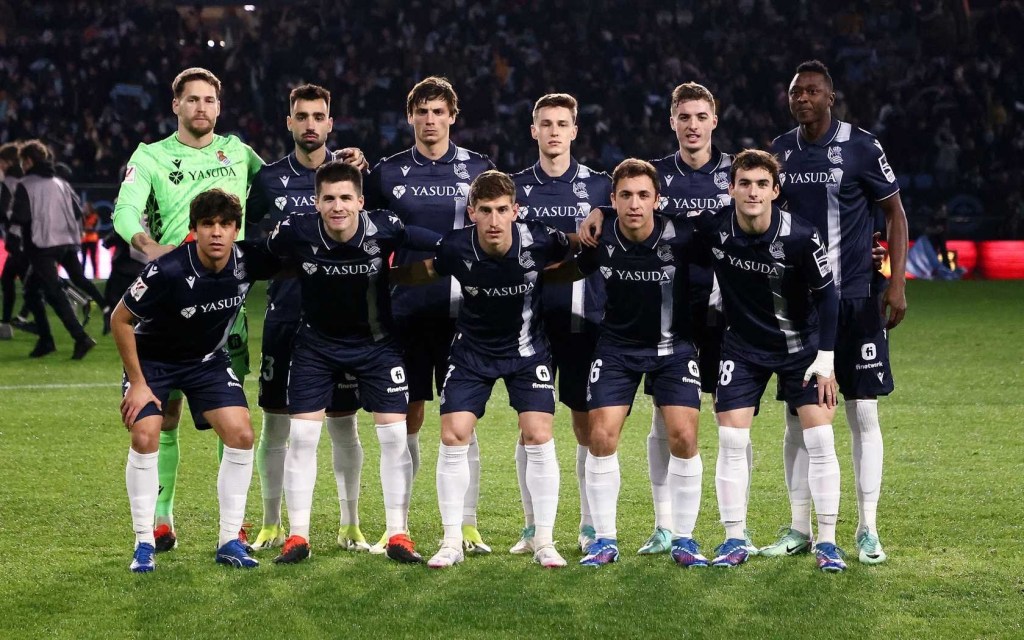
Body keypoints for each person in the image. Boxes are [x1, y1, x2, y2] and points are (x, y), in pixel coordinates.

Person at [112, 67, 264, 552]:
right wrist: (148, 246)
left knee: (231, 414)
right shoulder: (151, 156)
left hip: (224, 306)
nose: (201, 107)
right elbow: (124, 210)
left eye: (209, 100)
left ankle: (232, 527)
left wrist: (337, 161)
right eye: (192, 99)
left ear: (219, 107)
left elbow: (283, 183)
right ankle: (161, 518)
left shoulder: (238, 152)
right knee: (167, 416)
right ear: (175, 105)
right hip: (169, 297)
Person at [762, 60, 908, 565]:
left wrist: (896, 282)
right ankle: (799, 527)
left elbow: (894, 213)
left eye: (812, 91)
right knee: (797, 418)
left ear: (831, 97)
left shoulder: (862, 146)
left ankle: (868, 528)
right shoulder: (780, 151)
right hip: (801, 307)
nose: (802, 98)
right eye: (795, 91)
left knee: (862, 411)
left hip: (857, 300)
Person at [391, 170, 572, 569]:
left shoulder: (539, 239)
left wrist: (598, 224)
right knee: (454, 433)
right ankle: (451, 541)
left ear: (515, 211)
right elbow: (427, 269)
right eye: (486, 210)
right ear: (471, 212)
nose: (494, 220)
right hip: (472, 353)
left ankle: (543, 540)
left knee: (539, 434)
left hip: (527, 352)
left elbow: (576, 249)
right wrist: (381, 277)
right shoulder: (456, 246)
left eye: (502, 210)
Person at [262, 161, 439, 565]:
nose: (337, 206)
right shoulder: (296, 229)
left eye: (345, 198)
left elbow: (436, 243)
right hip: (315, 347)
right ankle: (298, 537)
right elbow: (259, 256)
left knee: (394, 438)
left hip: (377, 346)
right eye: (328, 198)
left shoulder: (385, 227)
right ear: (316, 202)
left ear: (361, 201)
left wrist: (465, 246)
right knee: (302, 437)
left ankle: (398, 533)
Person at [689, 150, 845, 571]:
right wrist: (603, 211)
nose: (753, 192)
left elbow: (828, 297)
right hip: (742, 349)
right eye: (744, 183)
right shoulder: (715, 228)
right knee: (731, 440)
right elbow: (657, 222)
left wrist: (826, 359)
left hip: (801, 350)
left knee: (820, 439)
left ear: (775, 190)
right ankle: (734, 538)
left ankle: (827, 542)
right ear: (731, 188)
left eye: (762, 184)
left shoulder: (801, 235)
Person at [111, 189, 279, 573]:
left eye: (225, 224)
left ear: (236, 229)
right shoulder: (167, 270)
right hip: (153, 362)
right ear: (194, 229)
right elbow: (120, 319)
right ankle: (143, 542)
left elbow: (296, 257)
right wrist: (138, 383)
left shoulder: (248, 260)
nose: (216, 232)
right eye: (207, 224)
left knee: (241, 434)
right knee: (145, 435)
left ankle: (229, 541)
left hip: (206, 361)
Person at [364, 76, 495, 555]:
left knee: (463, 421)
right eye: (422, 111)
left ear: (453, 117)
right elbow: (369, 229)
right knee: (407, 417)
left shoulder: (479, 169)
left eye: (439, 111)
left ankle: (468, 525)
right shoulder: (387, 173)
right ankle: (397, 526)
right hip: (406, 312)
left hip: (466, 314)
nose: (430, 119)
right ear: (410, 117)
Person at [244, 83, 370, 552]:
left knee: (343, 424)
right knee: (276, 424)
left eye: (319, 116)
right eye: (302, 116)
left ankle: (350, 524)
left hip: (343, 321)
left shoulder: (352, 173)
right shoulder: (269, 179)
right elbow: (247, 234)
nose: (311, 124)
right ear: (289, 122)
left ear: (330, 123)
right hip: (286, 315)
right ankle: (271, 522)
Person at [637, 82, 756, 556]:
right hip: (672, 314)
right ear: (672, 122)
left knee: (734, 420)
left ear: (714, 121)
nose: (692, 125)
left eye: (701, 116)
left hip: (731, 312)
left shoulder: (737, 173)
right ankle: (664, 525)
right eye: (684, 117)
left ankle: (737, 527)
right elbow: (621, 206)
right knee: (664, 417)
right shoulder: (656, 176)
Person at [572, 159, 705, 568]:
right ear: (613, 199)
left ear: (657, 200)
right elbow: (563, 267)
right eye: (625, 196)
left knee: (684, 436)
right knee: (600, 436)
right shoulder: (600, 237)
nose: (635, 204)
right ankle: (604, 540)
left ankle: (684, 539)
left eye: (643, 195)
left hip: (673, 349)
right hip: (616, 349)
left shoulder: (683, 234)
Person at [508, 93, 611, 555]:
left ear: (574, 131)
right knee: (530, 425)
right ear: (534, 131)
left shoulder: (602, 187)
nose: (553, 131)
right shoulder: (515, 188)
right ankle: (532, 526)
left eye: (561, 124)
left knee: (584, 424)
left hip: (583, 320)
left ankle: (588, 525)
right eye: (545, 124)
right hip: (528, 321)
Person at [10, 140, 106, 358]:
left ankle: (79, 337)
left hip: (42, 244)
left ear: (29, 161)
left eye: (23, 161)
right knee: (32, 290)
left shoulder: (25, 184)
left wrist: (14, 239)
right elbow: (76, 211)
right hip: (67, 241)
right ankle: (46, 340)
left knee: (52, 291)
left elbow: (20, 217)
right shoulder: (61, 183)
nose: (22, 166)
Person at [0, 141, 25, 339]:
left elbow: (4, 210)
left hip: (18, 237)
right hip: (27, 236)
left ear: (8, 162)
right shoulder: (24, 179)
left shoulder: (9, 182)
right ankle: (7, 323)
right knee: (13, 279)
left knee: (13, 281)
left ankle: (7, 325)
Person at [81, 203, 101, 278]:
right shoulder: (82, 217)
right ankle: (82, 275)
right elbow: (80, 227)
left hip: (92, 239)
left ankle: (95, 274)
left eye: (86, 207)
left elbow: (97, 228)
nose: (84, 209)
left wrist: (90, 229)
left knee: (93, 258)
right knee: (83, 258)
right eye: (84, 207)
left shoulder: (95, 216)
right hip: (84, 239)